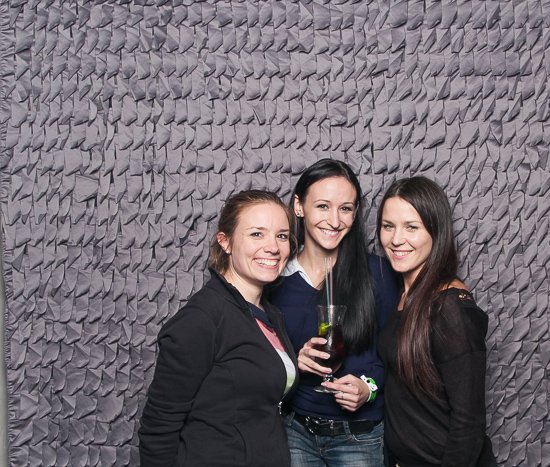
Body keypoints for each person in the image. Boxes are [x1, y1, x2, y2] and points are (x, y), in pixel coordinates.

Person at [139, 190, 299, 467]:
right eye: (257, 234)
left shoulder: (269, 313)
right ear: (225, 242)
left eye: (282, 236)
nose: (273, 247)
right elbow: (159, 425)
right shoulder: (202, 318)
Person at [269, 159, 399, 467]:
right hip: (295, 431)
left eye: (345, 208)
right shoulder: (274, 278)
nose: (334, 220)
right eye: (323, 206)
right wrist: (293, 362)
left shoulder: (379, 274)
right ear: (299, 206)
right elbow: (256, 360)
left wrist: (367, 388)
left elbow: (394, 354)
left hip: (360, 435)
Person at [377, 177, 497, 467]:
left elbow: (468, 422)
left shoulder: (449, 307)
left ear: (436, 231)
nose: (396, 239)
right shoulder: (404, 296)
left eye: (411, 227)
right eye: (388, 226)